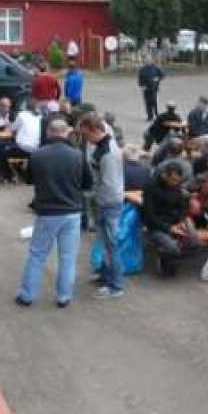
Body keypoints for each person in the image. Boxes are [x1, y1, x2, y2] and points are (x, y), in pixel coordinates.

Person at [15, 119, 92, 308]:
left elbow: (28, 180)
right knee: (67, 257)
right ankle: (63, 296)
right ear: (66, 133)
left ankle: (27, 295)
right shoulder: (77, 155)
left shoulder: (37, 155)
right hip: (72, 211)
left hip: (47, 211)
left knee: (37, 255)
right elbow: (87, 184)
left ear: (48, 132)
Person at [79, 113, 126, 299]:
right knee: (106, 244)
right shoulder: (104, 143)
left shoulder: (107, 153)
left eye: (86, 134)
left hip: (108, 204)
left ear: (96, 130)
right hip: (106, 203)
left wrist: (94, 198)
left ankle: (115, 286)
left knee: (111, 246)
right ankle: (107, 276)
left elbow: (110, 185)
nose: (86, 139)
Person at [142, 161, 202, 277]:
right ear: (165, 175)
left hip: (176, 221)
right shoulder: (150, 187)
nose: (175, 183)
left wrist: (181, 221)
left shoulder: (177, 187)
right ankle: (168, 259)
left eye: (177, 181)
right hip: (157, 224)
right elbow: (149, 215)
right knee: (172, 247)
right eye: (173, 180)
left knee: (195, 243)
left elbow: (183, 207)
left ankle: (172, 258)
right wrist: (169, 228)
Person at [137, 56, 165, 121]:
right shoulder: (142, 69)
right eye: (146, 60)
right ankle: (150, 116)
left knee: (154, 102)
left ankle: (156, 114)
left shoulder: (156, 68)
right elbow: (139, 78)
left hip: (154, 88)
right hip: (146, 88)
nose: (148, 62)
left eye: (149, 60)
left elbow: (163, 76)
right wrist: (141, 86)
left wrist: (158, 78)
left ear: (152, 61)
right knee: (147, 103)